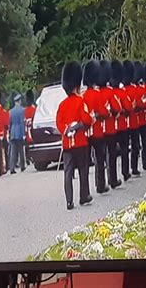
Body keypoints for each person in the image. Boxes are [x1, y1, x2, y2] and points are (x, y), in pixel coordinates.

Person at [56, 61, 93, 210]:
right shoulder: (80, 101)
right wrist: (78, 126)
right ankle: (84, 196)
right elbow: (87, 119)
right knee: (83, 169)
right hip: (80, 141)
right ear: (77, 84)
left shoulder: (62, 104)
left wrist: (67, 129)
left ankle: (69, 201)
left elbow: (59, 122)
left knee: (68, 172)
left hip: (67, 143)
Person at [83, 60, 110, 193]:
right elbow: (104, 112)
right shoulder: (97, 94)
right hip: (98, 131)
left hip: (87, 133)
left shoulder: (84, 96)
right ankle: (100, 185)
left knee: (86, 163)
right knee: (100, 160)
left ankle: (87, 189)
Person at [99, 60, 122, 188]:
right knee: (111, 155)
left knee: (99, 158)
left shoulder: (92, 94)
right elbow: (117, 108)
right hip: (110, 127)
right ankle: (112, 180)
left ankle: (100, 183)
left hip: (97, 130)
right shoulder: (109, 92)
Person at [111, 60, 133, 181]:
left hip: (111, 127)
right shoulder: (122, 92)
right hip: (123, 125)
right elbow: (129, 108)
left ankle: (112, 178)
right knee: (124, 150)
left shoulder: (110, 92)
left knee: (112, 154)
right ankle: (125, 172)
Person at [122, 60, 141, 176]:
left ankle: (126, 171)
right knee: (135, 146)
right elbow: (137, 105)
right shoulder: (134, 89)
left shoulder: (122, 90)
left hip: (125, 123)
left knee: (125, 149)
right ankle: (133, 168)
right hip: (132, 121)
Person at [134, 61, 146, 170]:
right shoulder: (141, 89)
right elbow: (145, 103)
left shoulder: (130, 90)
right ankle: (145, 163)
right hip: (141, 118)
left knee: (137, 144)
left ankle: (135, 167)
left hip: (136, 120)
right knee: (143, 143)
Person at [9, 93, 26, 173]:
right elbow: (22, 123)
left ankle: (12, 167)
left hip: (13, 132)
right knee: (20, 150)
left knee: (13, 152)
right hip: (19, 132)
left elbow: (10, 124)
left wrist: (10, 133)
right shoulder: (22, 110)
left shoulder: (11, 111)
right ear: (19, 101)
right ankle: (22, 166)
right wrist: (23, 134)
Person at [24, 89, 36, 166]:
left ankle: (28, 157)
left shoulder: (25, 110)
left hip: (26, 128)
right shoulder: (34, 109)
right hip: (31, 127)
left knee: (27, 143)